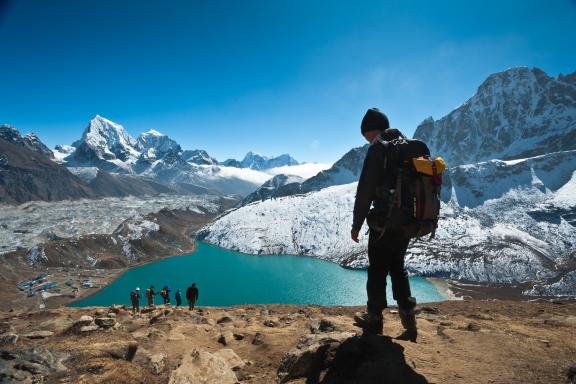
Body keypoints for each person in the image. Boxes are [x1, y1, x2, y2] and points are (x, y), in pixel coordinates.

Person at [351, 108, 418, 341]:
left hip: (384, 222)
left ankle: (374, 320)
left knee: (377, 270)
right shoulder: (408, 148)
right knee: (398, 267)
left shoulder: (379, 149)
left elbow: (365, 191)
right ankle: (409, 320)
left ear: (371, 130)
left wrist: (356, 224)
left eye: (366, 135)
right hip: (408, 222)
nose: (366, 140)